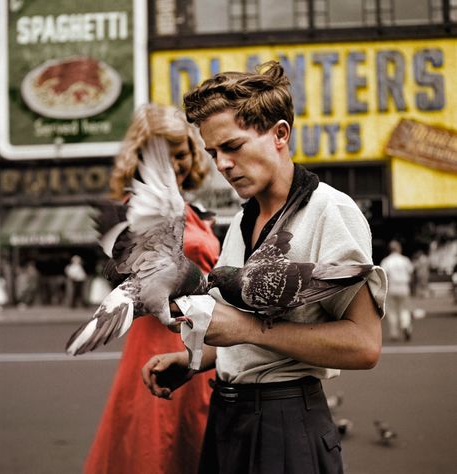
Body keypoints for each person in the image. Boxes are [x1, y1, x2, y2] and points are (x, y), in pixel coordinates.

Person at [142, 61, 387, 474]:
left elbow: (365, 345)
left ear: (279, 134)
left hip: (287, 421)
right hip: (228, 415)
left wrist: (245, 329)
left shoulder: (332, 211)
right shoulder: (242, 219)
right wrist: (196, 360)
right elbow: (242, 336)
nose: (221, 165)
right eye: (213, 153)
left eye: (232, 147)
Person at [84, 104, 221, 474]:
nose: (175, 164)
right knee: (155, 448)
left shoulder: (196, 212)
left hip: (208, 343)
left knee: (199, 442)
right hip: (158, 341)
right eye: (163, 154)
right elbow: (121, 272)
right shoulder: (132, 213)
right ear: (140, 157)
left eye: (181, 154)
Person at [381, 240, 414, 341]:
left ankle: (394, 333)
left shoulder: (386, 261)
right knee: (404, 308)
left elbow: (383, 275)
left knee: (392, 311)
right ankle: (405, 324)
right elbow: (411, 273)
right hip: (404, 286)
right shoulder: (405, 260)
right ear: (399, 248)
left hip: (392, 287)